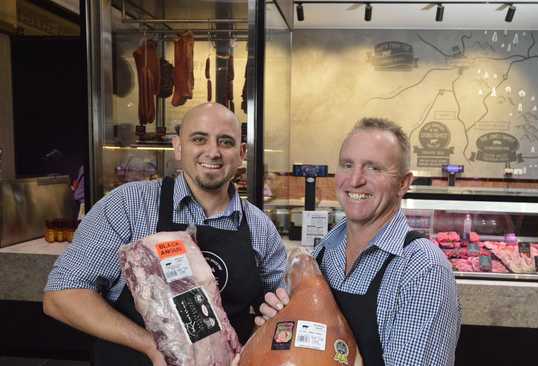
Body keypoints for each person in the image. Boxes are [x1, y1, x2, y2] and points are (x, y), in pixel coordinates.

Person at [43, 103, 287, 366]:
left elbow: (285, 313)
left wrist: (277, 313)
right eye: (199, 139)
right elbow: (61, 295)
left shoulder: (261, 228)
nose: (213, 152)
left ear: (240, 154)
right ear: (178, 147)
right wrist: (152, 346)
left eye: (225, 142)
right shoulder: (128, 204)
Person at [258, 118, 461, 366]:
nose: (355, 180)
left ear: (403, 183)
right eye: (347, 165)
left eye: (373, 168)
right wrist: (279, 326)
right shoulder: (323, 253)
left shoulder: (422, 269)